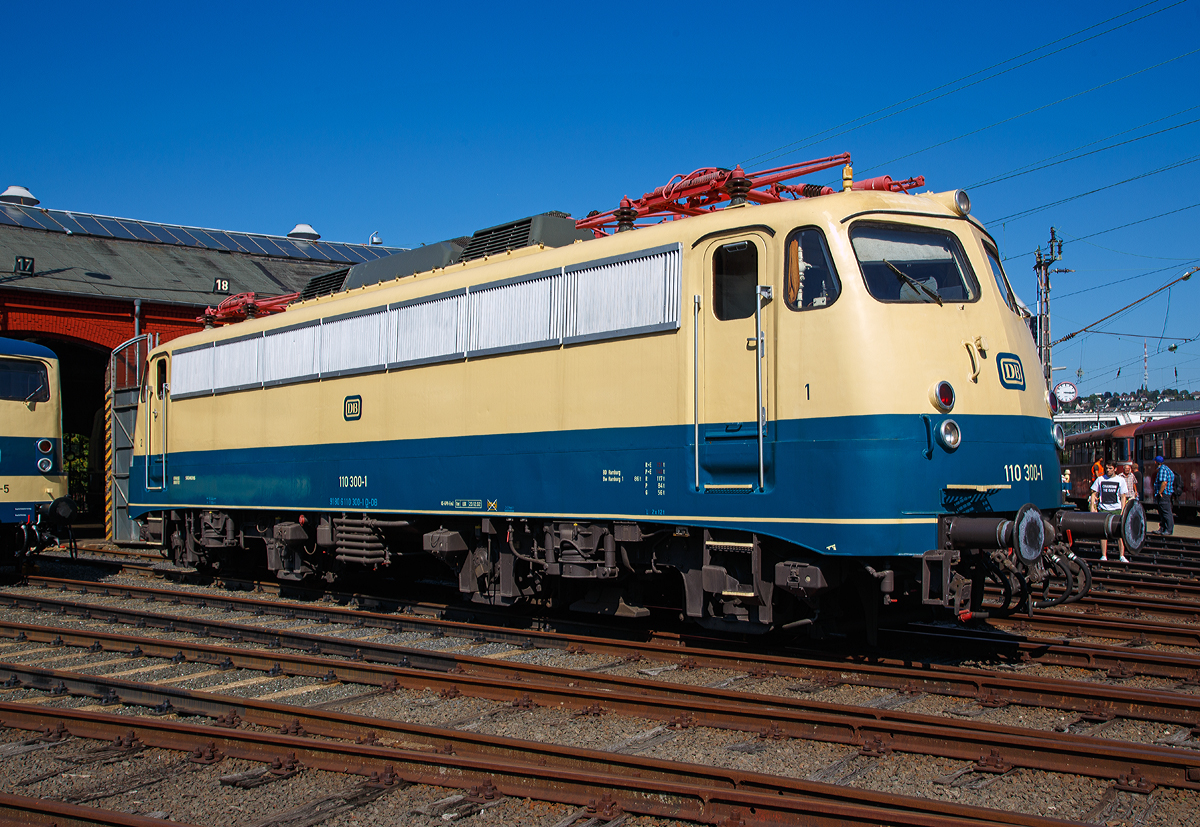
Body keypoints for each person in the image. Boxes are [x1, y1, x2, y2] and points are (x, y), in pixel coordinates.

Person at [1091, 461, 1129, 562]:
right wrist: (1093, 507)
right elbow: (1094, 493)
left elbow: (1123, 496)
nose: (1108, 470)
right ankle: (1104, 555)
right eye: (1107, 468)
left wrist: (1123, 509)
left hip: (1116, 509)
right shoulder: (1100, 479)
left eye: (1110, 468)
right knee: (1103, 533)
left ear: (1115, 469)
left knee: (1120, 533)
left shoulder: (1120, 480)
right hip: (1104, 509)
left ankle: (1121, 555)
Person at [1152, 455, 1175, 536]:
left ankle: (1168, 529)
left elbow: (1164, 482)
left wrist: (1160, 492)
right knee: (1162, 512)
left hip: (1164, 494)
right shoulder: (1167, 469)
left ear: (1156, 462)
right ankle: (1162, 528)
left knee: (1165, 512)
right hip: (1166, 494)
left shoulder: (1162, 470)